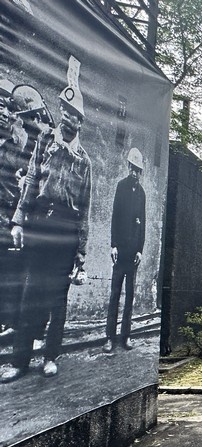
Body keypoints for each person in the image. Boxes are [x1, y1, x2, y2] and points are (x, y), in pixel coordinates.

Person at [1, 78, 92, 383]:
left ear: (81, 122)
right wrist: (17, 221)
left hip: (66, 230)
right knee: (30, 294)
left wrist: (81, 250)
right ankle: (19, 362)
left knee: (57, 299)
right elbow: (29, 183)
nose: (69, 119)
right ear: (61, 113)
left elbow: (85, 206)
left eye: (75, 115)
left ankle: (51, 357)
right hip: (39, 224)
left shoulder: (84, 160)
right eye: (66, 112)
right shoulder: (44, 143)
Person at [0, 83, 49, 336]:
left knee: (28, 272)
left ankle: (30, 329)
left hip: (28, 217)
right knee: (10, 268)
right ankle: (12, 323)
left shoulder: (38, 145)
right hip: (10, 215)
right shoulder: (11, 143)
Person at [103, 148, 146, 352]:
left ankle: (126, 336)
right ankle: (109, 338)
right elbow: (114, 217)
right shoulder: (121, 187)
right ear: (128, 167)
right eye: (132, 168)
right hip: (120, 253)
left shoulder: (142, 194)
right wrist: (113, 244)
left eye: (138, 170)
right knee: (114, 295)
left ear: (140, 172)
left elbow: (143, 223)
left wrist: (140, 250)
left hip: (133, 255)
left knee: (130, 296)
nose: (134, 173)